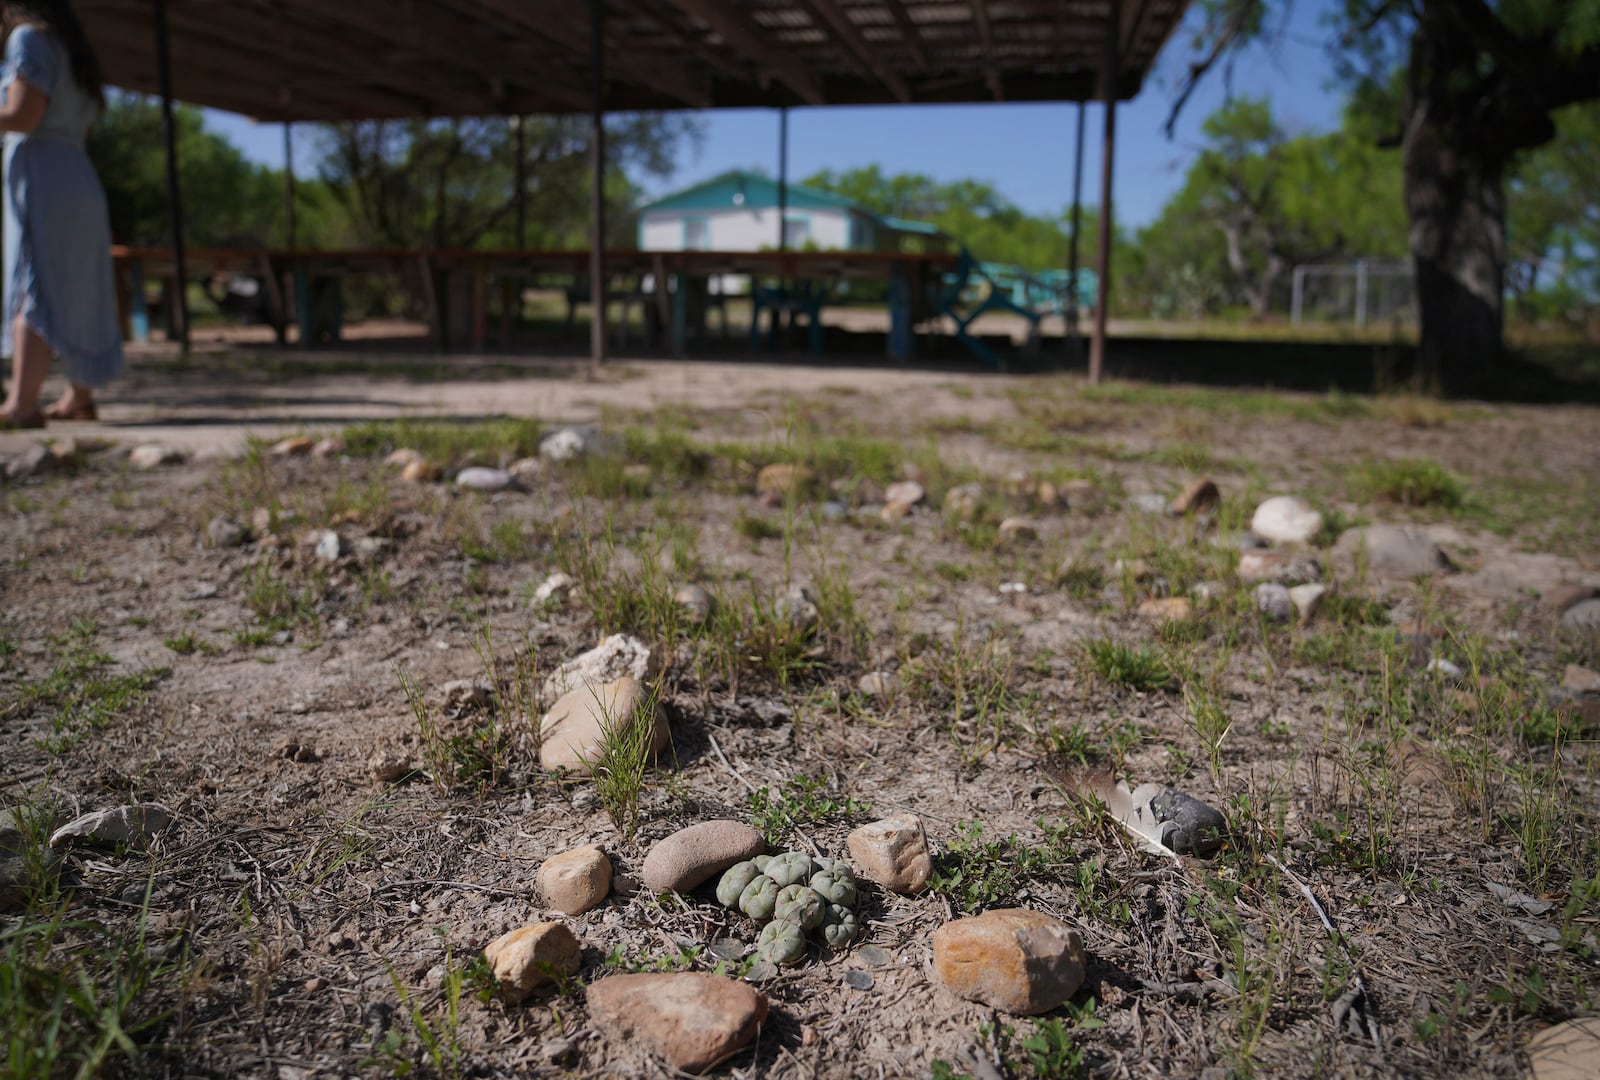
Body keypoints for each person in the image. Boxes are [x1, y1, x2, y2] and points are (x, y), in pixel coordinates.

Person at [0, 0, 121, 428]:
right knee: (79, 286)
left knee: (33, 281)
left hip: (42, 175)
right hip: (78, 173)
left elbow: (23, 115)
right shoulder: (71, 47)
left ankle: (21, 403)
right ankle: (79, 397)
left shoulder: (28, 38)